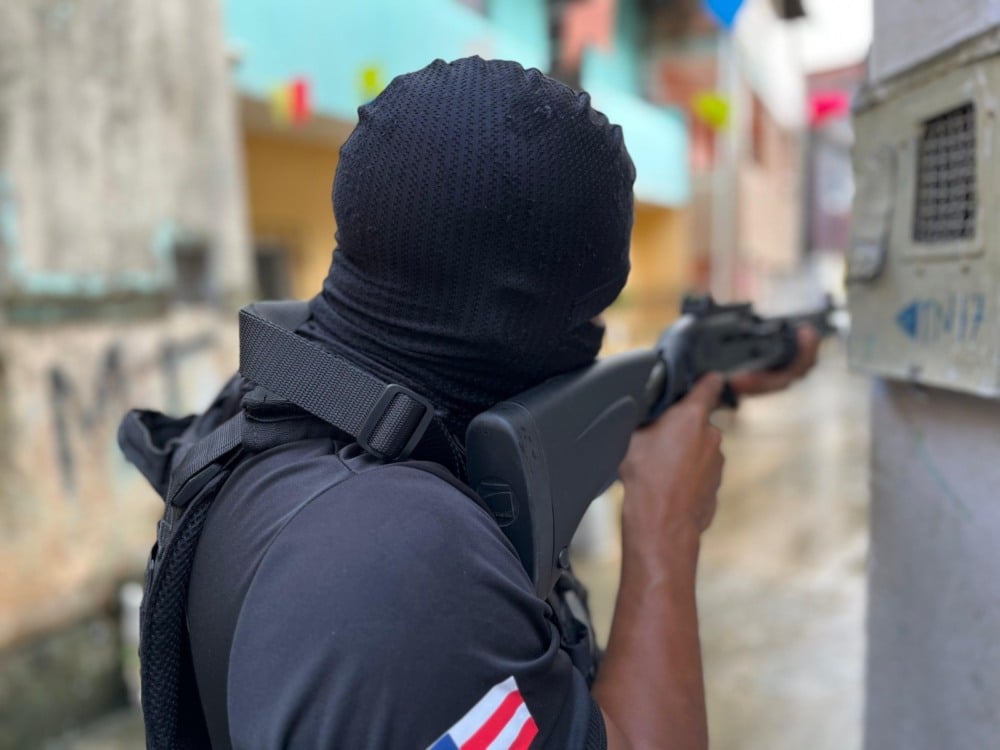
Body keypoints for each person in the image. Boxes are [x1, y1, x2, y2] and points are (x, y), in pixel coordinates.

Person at [184, 56, 819, 749]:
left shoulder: (276, 411)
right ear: (534, 316)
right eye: (590, 314)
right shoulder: (407, 574)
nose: (591, 342)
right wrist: (665, 524)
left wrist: (695, 388)